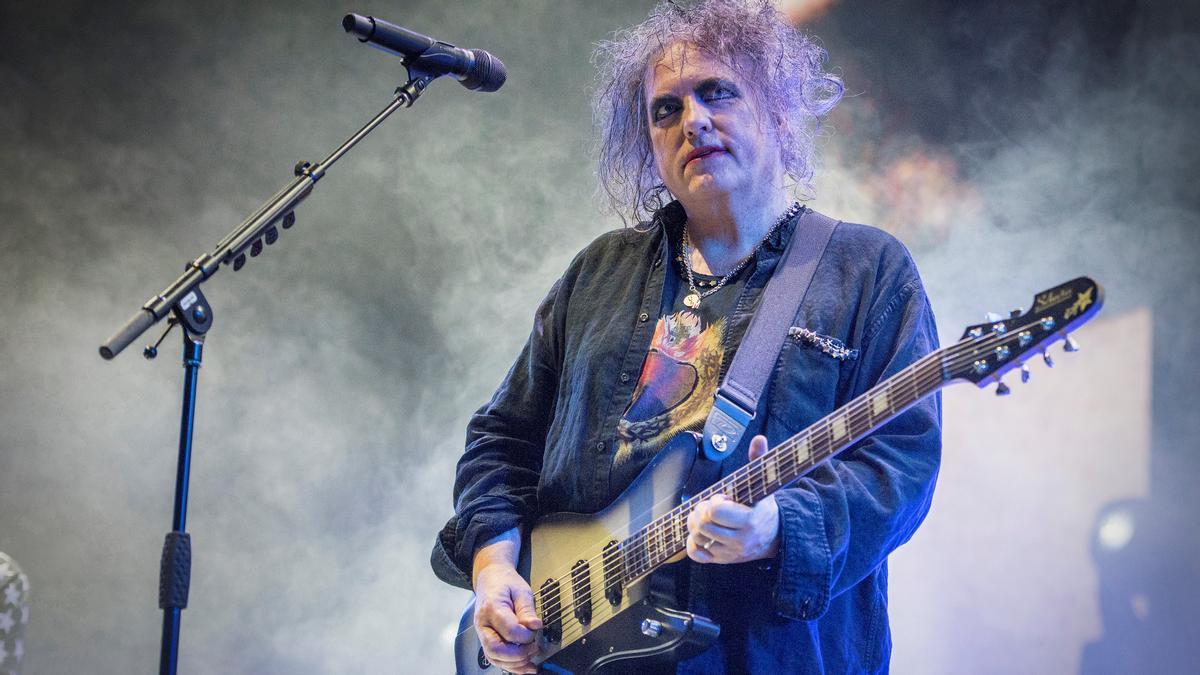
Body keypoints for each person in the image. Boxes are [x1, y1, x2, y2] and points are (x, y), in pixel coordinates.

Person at [431, 1, 942, 672]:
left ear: (779, 110)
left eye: (717, 92)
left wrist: (779, 526)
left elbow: (900, 463)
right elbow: (502, 438)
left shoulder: (867, 270)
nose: (692, 119)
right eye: (665, 109)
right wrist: (495, 567)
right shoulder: (599, 272)